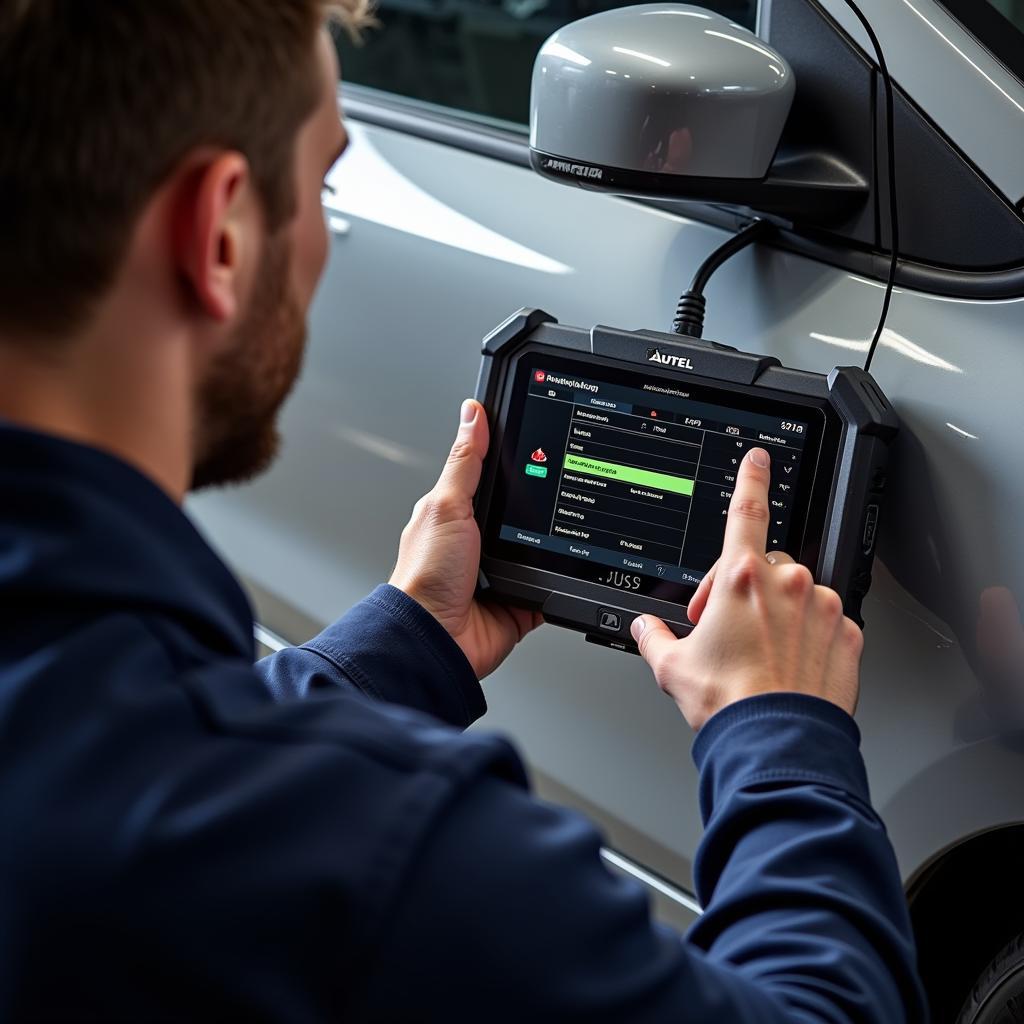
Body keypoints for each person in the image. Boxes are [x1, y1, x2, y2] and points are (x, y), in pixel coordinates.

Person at [0, 2, 926, 1021]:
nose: (321, 235)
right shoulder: (386, 848)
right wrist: (779, 733)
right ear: (217, 232)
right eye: (319, 183)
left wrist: (403, 643)